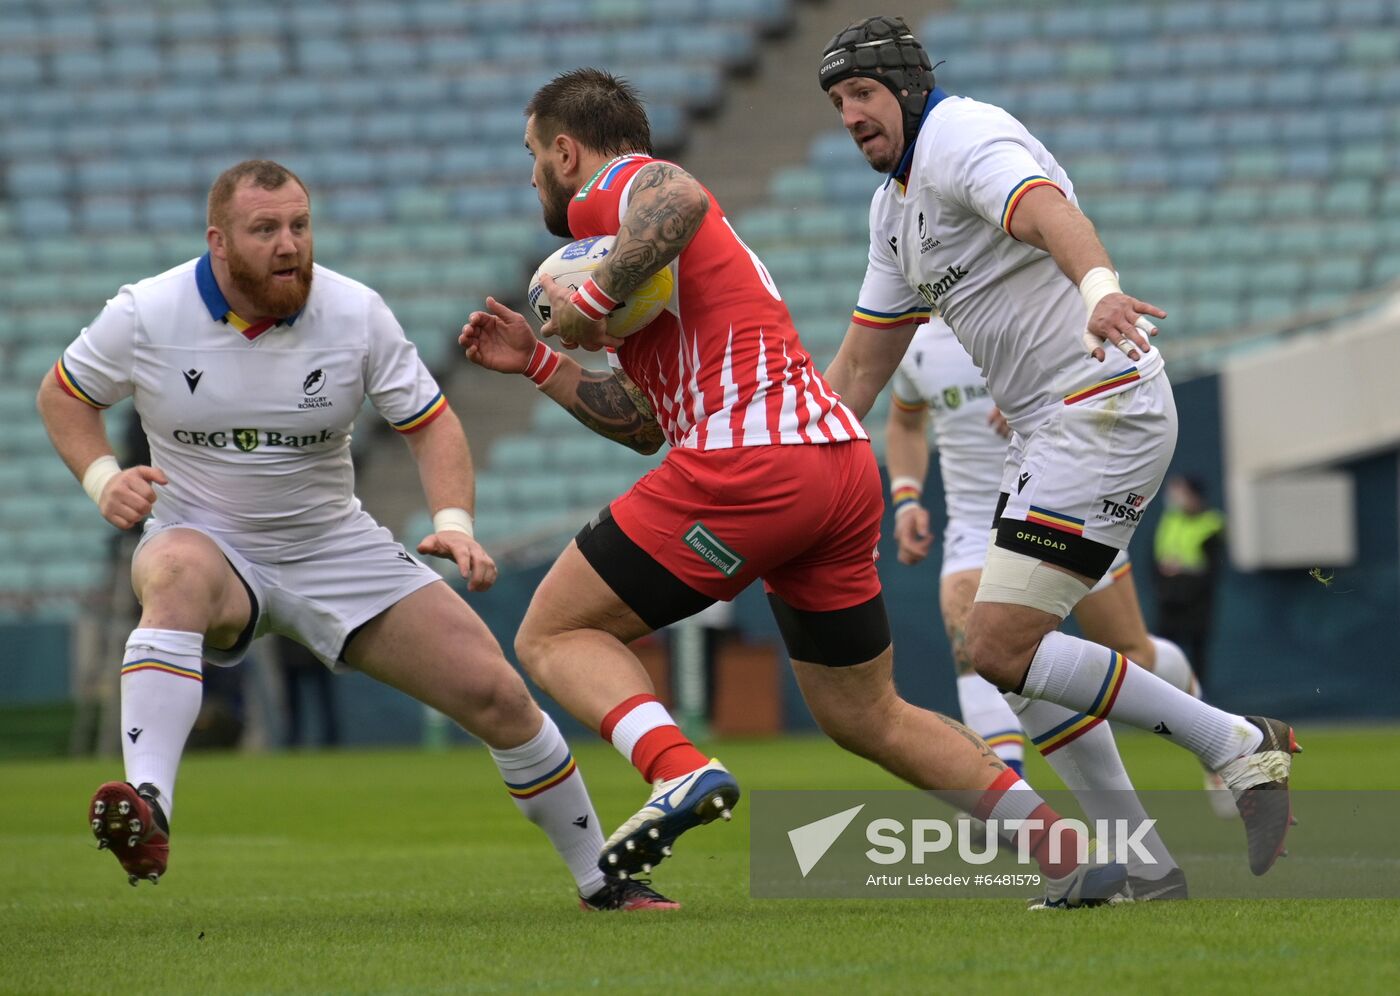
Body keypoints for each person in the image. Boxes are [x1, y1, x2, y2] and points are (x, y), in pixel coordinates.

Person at [462, 68, 1126, 908]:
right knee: (864, 713)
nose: (532, 177)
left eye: (532, 155)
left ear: (566, 149)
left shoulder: (615, 187)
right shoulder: (646, 258)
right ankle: (1065, 849)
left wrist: (591, 294)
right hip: (836, 465)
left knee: (552, 633)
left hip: (752, 462)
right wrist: (539, 361)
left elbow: (679, 195)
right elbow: (643, 424)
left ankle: (679, 769)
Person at [36, 159, 670, 912]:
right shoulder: (146, 312)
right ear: (218, 241)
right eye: (265, 229)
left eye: (299, 225)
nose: (289, 244)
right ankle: (149, 805)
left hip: (334, 548)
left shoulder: (355, 311)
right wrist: (106, 480)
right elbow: (63, 395)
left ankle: (602, 882)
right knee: (171, 569)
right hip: (207, 541)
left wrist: (453, 524)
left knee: (499, 695)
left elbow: (430, 425)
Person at [818, 15, 1298, 876]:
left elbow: (1045, 211)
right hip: (1050, 427)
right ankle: (1143, 867)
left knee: (1000, 645)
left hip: (1102, 406)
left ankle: (1231, 740)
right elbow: (861, 365)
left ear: (906, 88)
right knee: (1003, 659)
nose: (849, 113)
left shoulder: (962, 132)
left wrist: (1099, 288)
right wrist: (791, 447)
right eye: (836, 101)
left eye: (861, 92)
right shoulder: (893, 211)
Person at [887, 319, 1234, 859]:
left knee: (1130, 654)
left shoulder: (1032, 304)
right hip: (975, 526)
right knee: (977, 649)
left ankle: (1190, 696)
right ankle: (1011, 797)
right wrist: (907, 497)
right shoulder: (914, 341)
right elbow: (905, 423)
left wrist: (1044, 394)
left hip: (1065, 503)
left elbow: (1130, 357)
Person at [1154, 475, 1226, 680]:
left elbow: (1212, 571)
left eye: (1182, 492)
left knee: (1197, 657)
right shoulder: (1170, 520)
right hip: (1168, 602)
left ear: (1195, 495)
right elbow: (1156, 560)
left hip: (1196, 604)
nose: (1176, 497)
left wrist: (1183, 578)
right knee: (1164, 655)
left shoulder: (1211, 524)